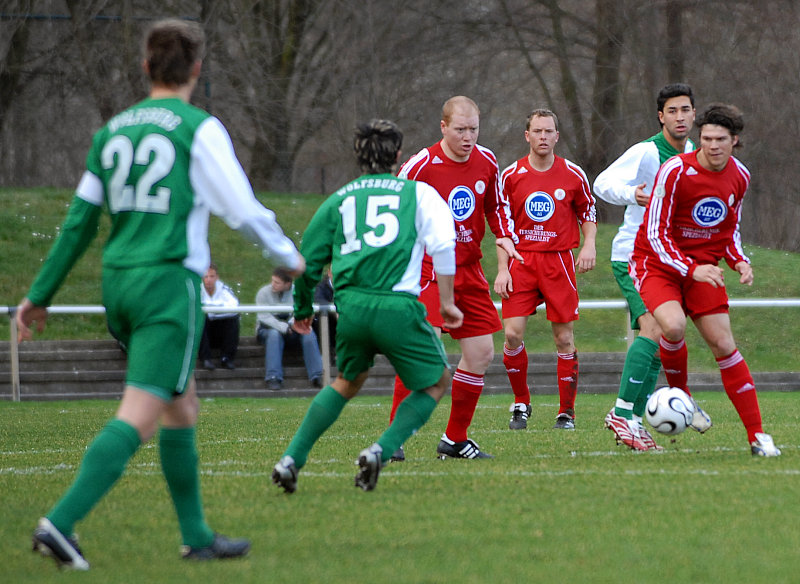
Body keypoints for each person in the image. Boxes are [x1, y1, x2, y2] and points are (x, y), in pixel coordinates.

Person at [16, 19, 305, 571]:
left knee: (181, 405)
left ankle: (196, 536)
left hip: (119, 283)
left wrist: (40, 294)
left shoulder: (114, 131)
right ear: (196, 69)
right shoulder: (197, 128)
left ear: (146, 67)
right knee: (142, 413)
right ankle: (60, 522)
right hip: (166, 287)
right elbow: (240, 209)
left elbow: (79, 223)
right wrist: (286, 254)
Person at [271, 119, 463, 493]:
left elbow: (307, 262)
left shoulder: (339, 200)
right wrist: (448, 301)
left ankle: (291, 458)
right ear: (397, 156)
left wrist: (302, 308)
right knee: (438, 380)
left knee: (346, 381)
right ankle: (381, 450)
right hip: (397, 307)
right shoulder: (418, 194)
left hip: (352, 310)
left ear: (358, 157)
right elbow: (443, 245)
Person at [629, 102, 780, 457]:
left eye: (720, 139)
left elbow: (730, 230)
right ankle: (684, 399)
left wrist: (740, 261)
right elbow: (654, 232)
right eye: (706, 138)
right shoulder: (675, 170)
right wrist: (690, 268)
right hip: (658, 264)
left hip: (703, 268)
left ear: (735, 141)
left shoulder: (740, 176)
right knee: (673, 326)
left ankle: (758, 436)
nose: (712, 145)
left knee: (724, 344)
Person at [387, 96, 520, 461]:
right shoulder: (421, 166)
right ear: (443, 127)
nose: (468, 137)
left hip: (469, 269)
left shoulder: (487, 160)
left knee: (480, 353)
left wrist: (504, 235)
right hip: (427, 270)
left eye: (474, 129)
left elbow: (496, 205)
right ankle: (394, 438)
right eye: (460, 129)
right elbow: (394, 211)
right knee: (423, 354)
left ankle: (455, 440)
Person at [593, 83, 696, 450]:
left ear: (694, 114)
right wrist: (631, 194)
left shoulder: (697, 155)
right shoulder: (647, 151)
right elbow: (601, 182)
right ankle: (621, 413)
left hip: (668, 259)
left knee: (661, 334)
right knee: (654, 327)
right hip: (633, 255)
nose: (679, 117)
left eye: (685, 110)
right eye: (672, 111)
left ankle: (634, 421)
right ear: (661, 116)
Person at [495, 108, 597, 431]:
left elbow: (588, 213)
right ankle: (521, 403)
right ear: (527, 136)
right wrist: (502, 269)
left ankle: (566, 412)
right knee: (511, 334)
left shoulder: (573, 174)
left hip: (559, 261)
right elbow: (501, 228)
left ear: (557, 136)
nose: (542, 137)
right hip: (521, 260)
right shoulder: (510, 176)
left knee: (564, 337)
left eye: (548, 131)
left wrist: (589, 244)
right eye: (536, 131)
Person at [256, 267, 324, 390]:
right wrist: (285, 327)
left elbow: (303, 311)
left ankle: (317, 375)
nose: (273, 284)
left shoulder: (298, 292)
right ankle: (273, 377)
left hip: (293, 329)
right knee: (274, 335)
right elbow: (264, 317)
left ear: (288, 284)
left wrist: (294, 324)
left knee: (308, 333)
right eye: (272, 281)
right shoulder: (263, 293)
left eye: (277, 282)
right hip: (267, 329)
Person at [198, 263, 240, 370]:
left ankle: (227, 358)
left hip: (220, 333)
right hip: (203, 334)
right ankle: (206, 359)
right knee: (201, 319)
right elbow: (195, 307)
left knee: (233, 320)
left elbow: (235, 306)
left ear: (217, 277)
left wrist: (211, 311)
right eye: (206, 277)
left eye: (212, 276)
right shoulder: (197, 290)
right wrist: (220, 308)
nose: (209, 280)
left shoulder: (224, 289)